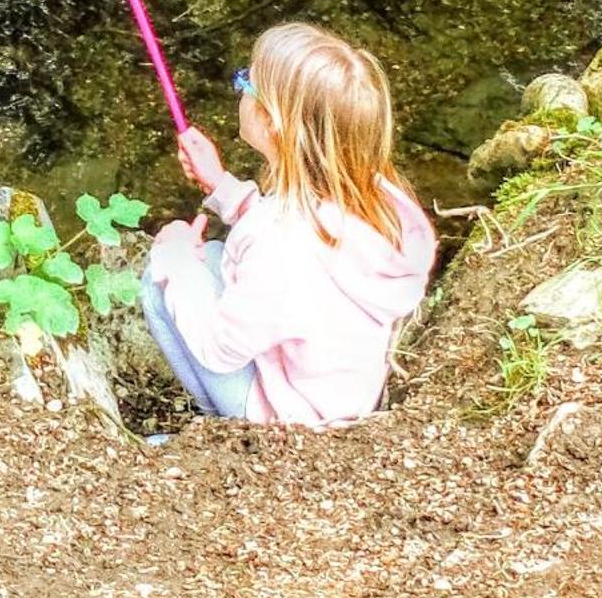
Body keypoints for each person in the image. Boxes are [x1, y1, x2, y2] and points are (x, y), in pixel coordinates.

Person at [139, 22, 434, 427]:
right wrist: (222, 187)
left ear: (271, 122)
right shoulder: (373, 193)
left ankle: (220, 431)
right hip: (342, 392)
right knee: (210, 257)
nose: (240, 86)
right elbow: (293, 236)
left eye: (247, 80)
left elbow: (218, 349)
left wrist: (174, 260)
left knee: (162, 280)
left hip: (294, 419)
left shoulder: (280, 247)